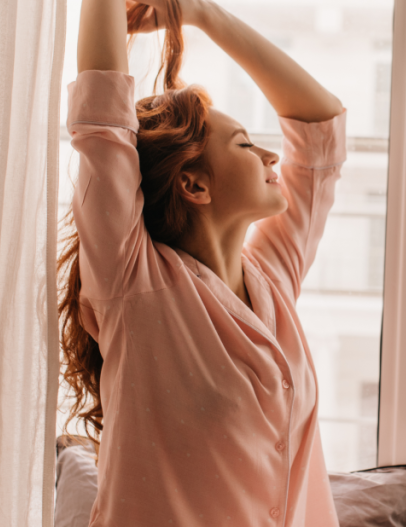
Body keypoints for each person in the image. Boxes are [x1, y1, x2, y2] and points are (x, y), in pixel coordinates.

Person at [58, 0, 346, 524]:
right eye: (244, 144)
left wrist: (200, 14)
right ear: (194, 184)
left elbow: (320, 130)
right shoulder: (133, 282)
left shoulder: (272, 279)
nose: (270, 156)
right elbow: (102, 126)